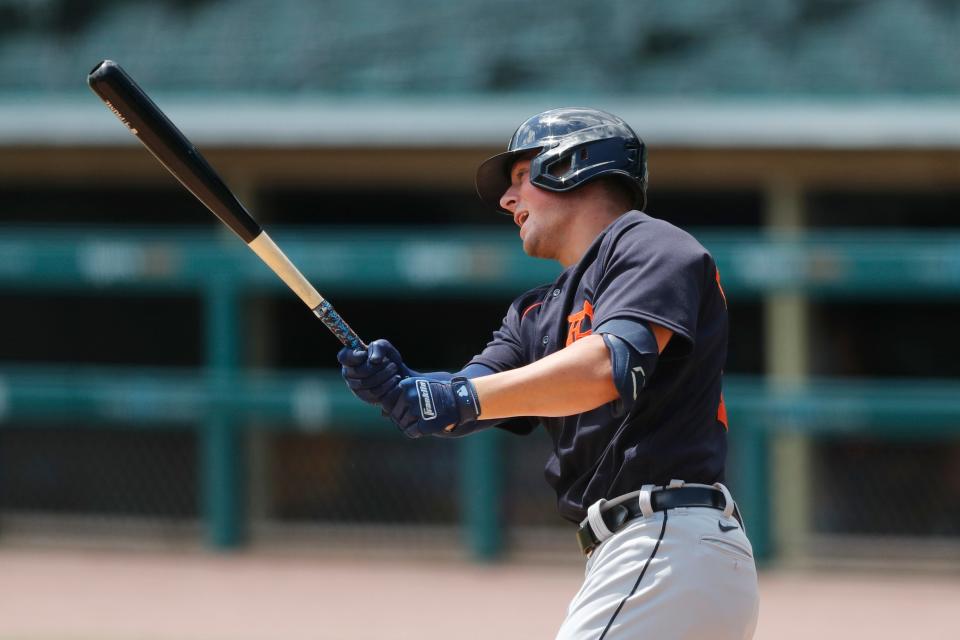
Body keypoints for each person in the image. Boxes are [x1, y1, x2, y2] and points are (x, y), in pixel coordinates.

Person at [338, 107, 759, 639]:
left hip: (666, 541)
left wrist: (456, 397)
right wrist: (399, 389)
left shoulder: (650, 244)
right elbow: (462, 402)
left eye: (519, 179)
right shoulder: (535, 313)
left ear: (570, 165)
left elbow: (609, 365)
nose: (506, 201)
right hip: (650, 557)